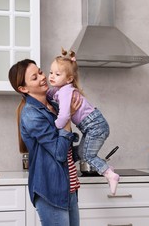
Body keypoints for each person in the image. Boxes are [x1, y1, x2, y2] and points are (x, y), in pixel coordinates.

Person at [8, 59, 81, 226]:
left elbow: (67, 152)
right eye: (34, 77)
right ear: (23, 88)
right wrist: (67, 117)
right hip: (51, 189)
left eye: (40, 72)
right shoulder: (31, 114)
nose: (42, 77)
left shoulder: (54, 105)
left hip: (68, 186)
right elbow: (59, 153)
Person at [47, 48, 120, 195]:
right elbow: (48, 94)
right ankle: (107, 168)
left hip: (95, 126)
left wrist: (54, 128)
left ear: (69, 79)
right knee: (81, 152)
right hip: (93, 126)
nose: (52, 76)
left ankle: (111, 175)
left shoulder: (66, 91)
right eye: (51, 72)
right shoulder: (59, 90)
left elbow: (64, 116)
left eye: (57, 74)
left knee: (87, 155)